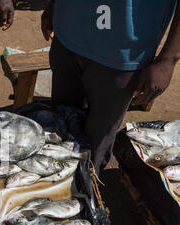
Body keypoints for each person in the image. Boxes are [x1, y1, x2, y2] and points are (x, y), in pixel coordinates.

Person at [41, 0, 179, 173]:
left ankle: (88, 183)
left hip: (122, 52)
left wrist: (168, 58)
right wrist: (54, 5)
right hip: (67, 34)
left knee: (96, 140)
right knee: (58, 126)